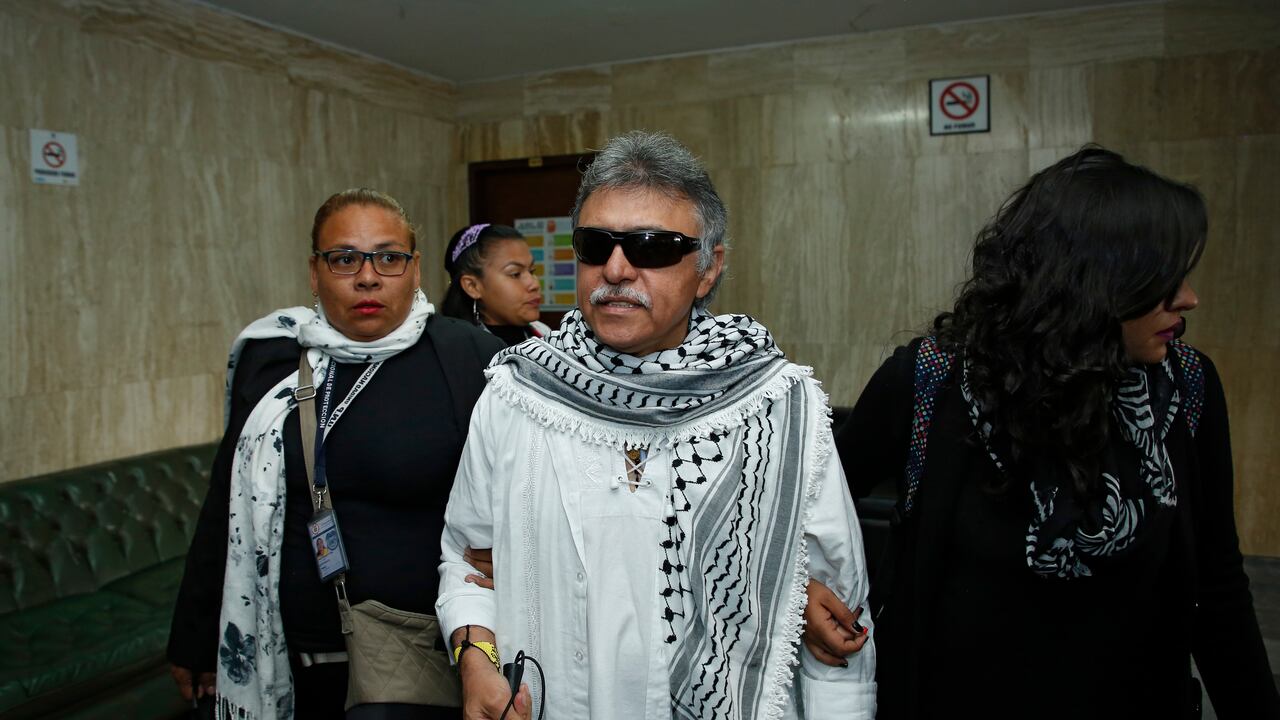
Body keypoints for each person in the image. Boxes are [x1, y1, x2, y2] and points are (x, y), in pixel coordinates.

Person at [437, 131, 876, 720]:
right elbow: (467, 561)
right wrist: (475, 661)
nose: (616, 269)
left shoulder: (773, 404)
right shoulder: (519, 393)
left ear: (708, 268)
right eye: (596, 245)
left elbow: (837, 613)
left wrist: (776, 590)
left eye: (652, 247)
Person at [836, 147, 1280, 719]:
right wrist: (811, 596)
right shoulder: (931, 380)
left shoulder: (1187, 387)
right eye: (1163, 279)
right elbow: (803, 513)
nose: (1188, 298)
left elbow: (1217, 586)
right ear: (1089, 282)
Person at [168, 189, 506, 719]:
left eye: (388, 258)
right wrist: (196, 634)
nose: (367, 277)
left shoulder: (469, 358)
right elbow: (225, 502)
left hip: (413, 660)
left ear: (415, 269)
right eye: (345, 259)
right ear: (314, 272)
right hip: (291, 655)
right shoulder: (273, 356)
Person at [442, 223, 550, 346]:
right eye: (515, 274)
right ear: (472, 286)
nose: (534, 284)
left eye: (532, 271)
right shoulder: (457, 348)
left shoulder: (544, 334)